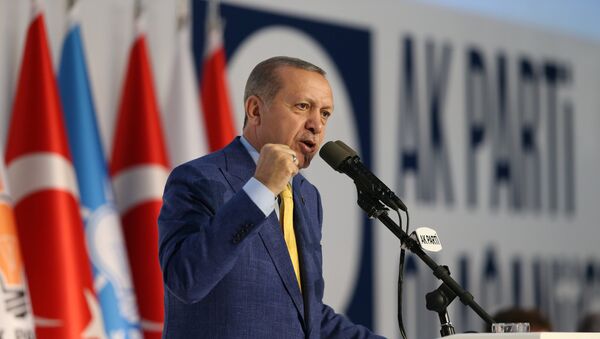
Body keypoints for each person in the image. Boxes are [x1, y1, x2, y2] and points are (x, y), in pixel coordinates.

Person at [158, 56, 384, 338]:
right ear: (255, 110)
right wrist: (261, 189)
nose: (317, 125)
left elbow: (307, 317)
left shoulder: (307, 196)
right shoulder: (198, 180)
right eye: (303, 107)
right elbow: (186, 281)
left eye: (325, 113)